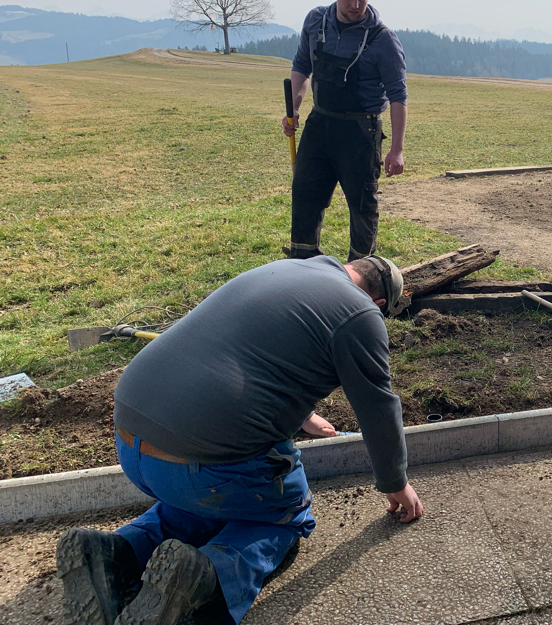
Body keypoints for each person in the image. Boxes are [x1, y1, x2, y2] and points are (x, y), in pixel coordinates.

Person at [55, 254, 423, 625]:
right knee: (285, 513)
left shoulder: (289, 269)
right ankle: (203, 575)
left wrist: (304, 416)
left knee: (205, 502)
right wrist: (396, 482)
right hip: (200, 465)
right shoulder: (361, 313)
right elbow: (377, 405)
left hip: (132, 439)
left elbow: (249, 351)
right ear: (379, 303)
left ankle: (114, 552)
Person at [282, 0, 408, 261]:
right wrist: (294, 108)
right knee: (305, 194)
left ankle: (360, 272)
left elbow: (398, 96)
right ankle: (303, 264)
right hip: (319, 124)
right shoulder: (315, 22)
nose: (356, 5)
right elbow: (302, 66)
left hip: (361, 132)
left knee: (362, 205)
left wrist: (397, 150)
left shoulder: (383, 39)